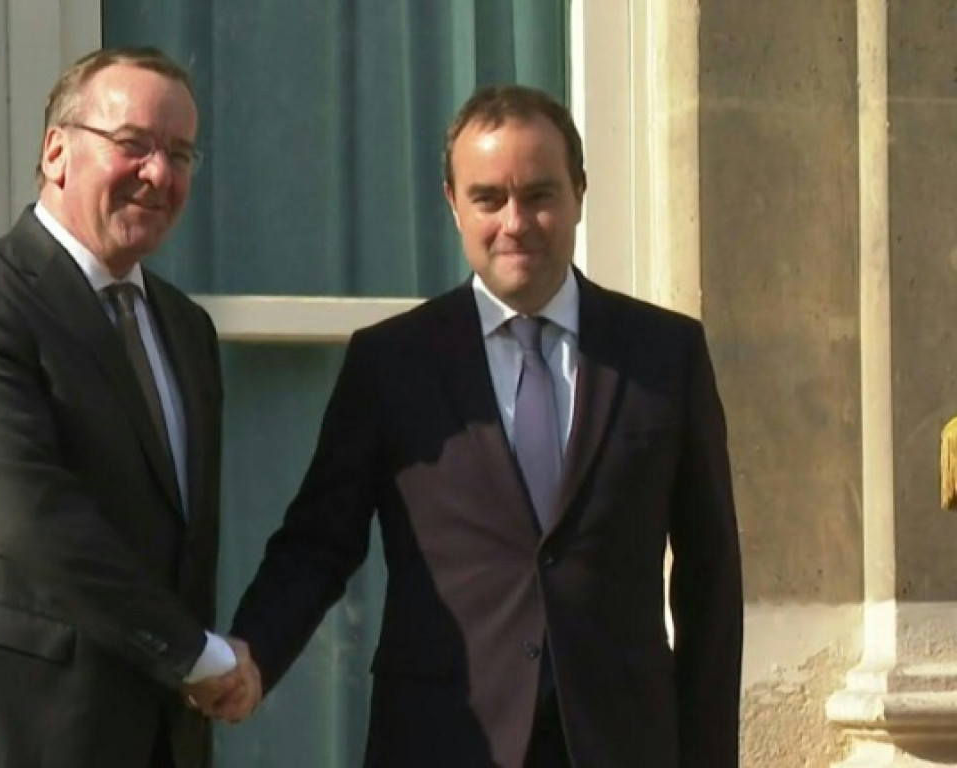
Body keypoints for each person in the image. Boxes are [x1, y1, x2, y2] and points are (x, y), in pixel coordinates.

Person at [217, 85, 743, 767]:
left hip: (621, 739)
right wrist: (252, 654)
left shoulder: (664, 355)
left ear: (580, 193)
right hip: (443, 737)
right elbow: (319, 543)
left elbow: (709, 573)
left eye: (540, 195)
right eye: (489, 198)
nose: (515, 222)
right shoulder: (391, 363)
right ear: (453, 203)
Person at [0, 46, 254, 768]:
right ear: (56, 152)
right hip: (3, 730)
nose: (159, 174)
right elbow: (32, 513)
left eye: (180, 154)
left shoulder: (185, 328)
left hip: (153, 737)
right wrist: (196, 656)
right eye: (133, 146)